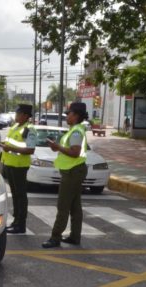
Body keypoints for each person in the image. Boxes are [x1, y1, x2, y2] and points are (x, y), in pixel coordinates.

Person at [42, 102, 89, 248]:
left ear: (75, 115)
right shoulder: (75, 130)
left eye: (68, 113)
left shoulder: (75, 131)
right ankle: (75, 236)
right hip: (74, 170)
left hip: (73, 172)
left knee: (63, 205)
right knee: (75, 206)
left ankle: (55, 237)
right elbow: (70, 150)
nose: (66, 116)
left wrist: (57, 147)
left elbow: (75, 152)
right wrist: (58, 147)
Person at [0, 104, 37, 234]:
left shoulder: (29, 129)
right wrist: (4, 145)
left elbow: (30, 150)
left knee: (20, 196)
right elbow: (12, 143)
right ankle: (15, 221)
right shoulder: (15, 126)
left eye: (18, 114)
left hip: (19, 166)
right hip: (9, 164)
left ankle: (21, 224)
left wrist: (10, 148)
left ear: (26, 116)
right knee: (15, 195)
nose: (16, 116)